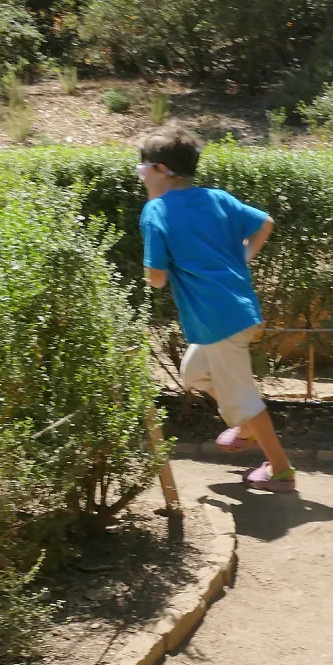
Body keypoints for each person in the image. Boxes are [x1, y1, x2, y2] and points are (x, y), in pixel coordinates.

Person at [138, 123, 297, 493]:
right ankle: (245, 427)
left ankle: (281, 469)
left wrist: (155, 270)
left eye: (142, 165)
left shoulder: (155, 211)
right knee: (193, 373)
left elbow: (157, 278)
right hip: (235, 313)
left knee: (242, 396)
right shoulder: (218, 198)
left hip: (218, 320)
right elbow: (265, 223)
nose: (140, 173)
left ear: (161, 169)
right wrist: (243, 257)